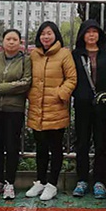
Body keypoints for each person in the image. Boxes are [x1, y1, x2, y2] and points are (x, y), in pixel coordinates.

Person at [25, 21, 77, 201]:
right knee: (40, 148)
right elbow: (28, 77)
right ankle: (40, 181)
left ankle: (52, 184)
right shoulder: (34, 54)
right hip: (37, 108)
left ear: (56, 35)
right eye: (43, 33)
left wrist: (60, 94)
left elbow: (71, 78)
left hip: (56, 108)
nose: (46, 37)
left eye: (49, 33)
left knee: (55, 148)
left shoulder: (64, 54)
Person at [0, 29, 32, 200]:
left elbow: (25, 83)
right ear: (2, 42)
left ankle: (10, 182)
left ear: (20, 42)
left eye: (15, 39)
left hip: (14, 109)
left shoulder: (25, 60)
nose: (11, 42)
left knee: (12, 146)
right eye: (8, 39)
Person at [71, 19, 106, 199]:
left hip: (103, 106)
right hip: (82, 105)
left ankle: (100, 181)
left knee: (101, 143)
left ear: (99, 34)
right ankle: (82, 180)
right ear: (82, 35)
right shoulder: (75, 55)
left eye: (94, 31)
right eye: (88, 32)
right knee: (82, 142)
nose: (91, 35)